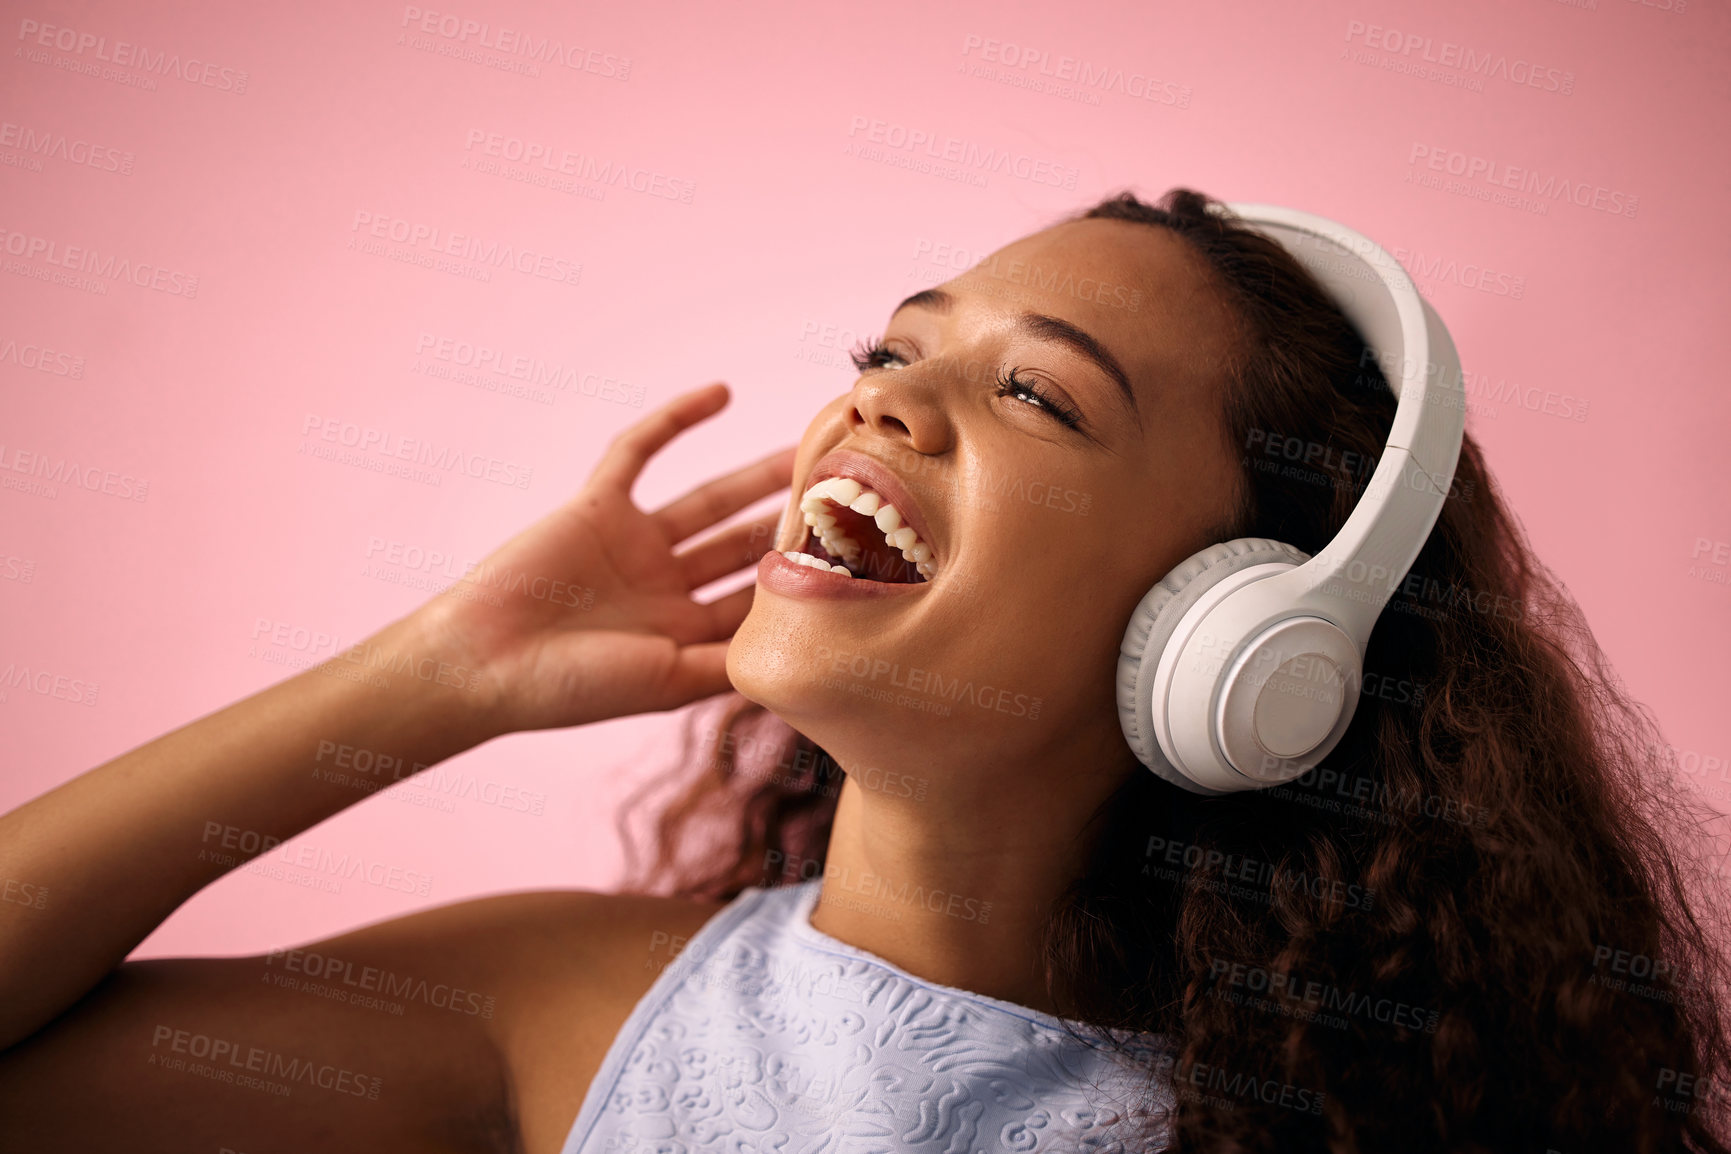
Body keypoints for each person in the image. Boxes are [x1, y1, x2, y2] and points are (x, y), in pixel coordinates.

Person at [0, 187, 1726, 1152]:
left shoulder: (1342, 1125)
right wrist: (436, 676)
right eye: (891, 350)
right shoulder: (568, 1010)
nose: (882, 403)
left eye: (1036, 394)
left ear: (1241, 632)